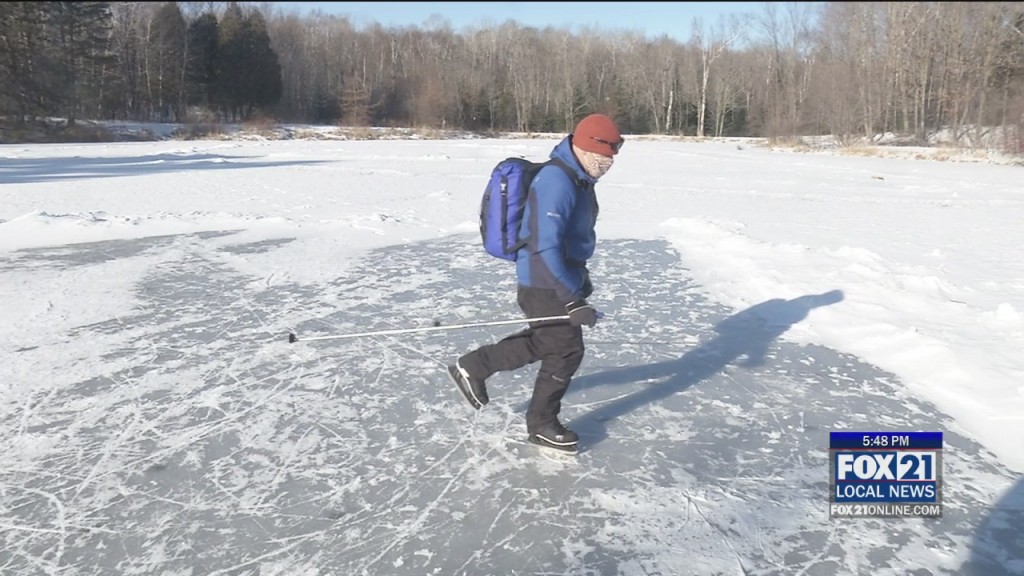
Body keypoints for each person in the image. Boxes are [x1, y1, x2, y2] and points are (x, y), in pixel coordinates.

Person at [447, 113, 624, 452]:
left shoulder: (578, 178)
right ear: (585, 148)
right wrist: (571, 299)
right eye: (603, 156)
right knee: (566, 350)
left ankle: (473, 367)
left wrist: (578, 287)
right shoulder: (557, 182)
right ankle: (541, 423)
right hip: (544, 280)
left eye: (613, 156)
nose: (608, 163)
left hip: (557, 276)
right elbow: (545, 245)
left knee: (548, 342)